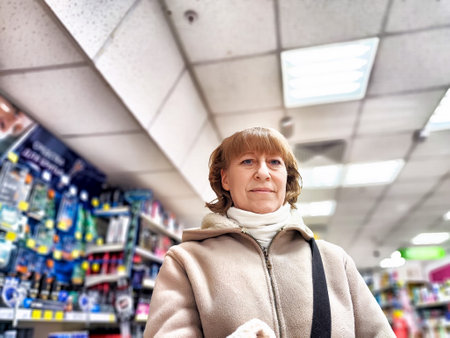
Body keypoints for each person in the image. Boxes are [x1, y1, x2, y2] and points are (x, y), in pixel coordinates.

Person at [144, 127, 395, 338]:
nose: (263, 172)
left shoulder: (335, 261)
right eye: (248, 161)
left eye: (274, 162)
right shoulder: (186, 262)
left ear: (286, 179)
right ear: (225, 179)